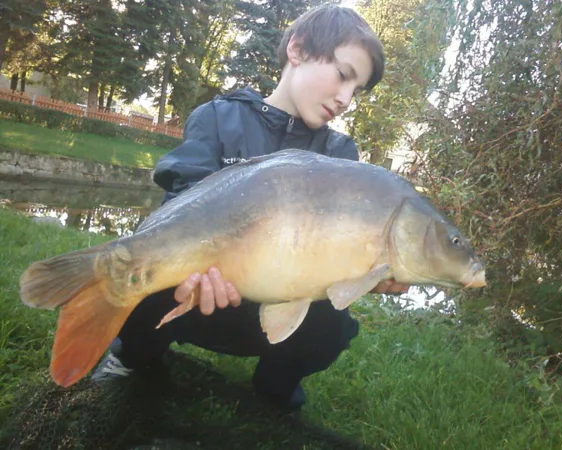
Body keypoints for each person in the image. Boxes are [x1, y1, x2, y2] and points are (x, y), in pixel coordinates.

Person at [92, 3, 409, 410]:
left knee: (333, 325)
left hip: (277, 306)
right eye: (343, 75)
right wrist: (196, 266)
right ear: (298, 49)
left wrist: (371, 272)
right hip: (200, 294)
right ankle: (132, 357)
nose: (346, 98)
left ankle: (275, 386)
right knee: (148, 273)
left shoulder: (339, 155)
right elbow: (180, 200)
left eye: (357, 90)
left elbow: (344, 245)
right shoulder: (218, 117)